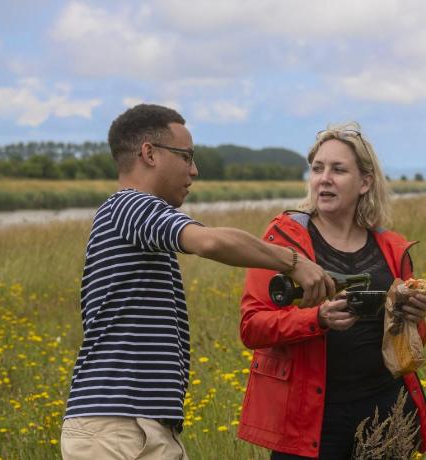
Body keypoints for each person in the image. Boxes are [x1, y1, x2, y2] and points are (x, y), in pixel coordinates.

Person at [60, 104, 335, 460]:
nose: (194, 169)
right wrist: (293, 261)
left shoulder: (134, 218)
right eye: (186, 156)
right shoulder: (128, 206)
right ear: (149, 153)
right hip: (118, 429)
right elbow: (210, 242)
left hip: (139, 427)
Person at [237, 122, 426, 458]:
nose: (324, 178)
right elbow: (252, 327)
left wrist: (413, 319)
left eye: (338, 169)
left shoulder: (391, 247)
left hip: (386, 412)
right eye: (317, 169)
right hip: (310, 418)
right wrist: (317, 318)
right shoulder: (284, 239)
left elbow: (410, 342)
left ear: (365, 182)